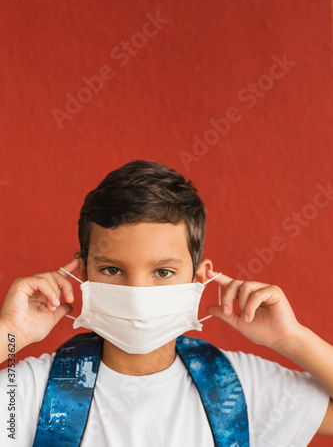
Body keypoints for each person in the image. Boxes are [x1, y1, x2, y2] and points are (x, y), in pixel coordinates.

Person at [0, 159, 332, 446]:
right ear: (84, 274)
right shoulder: (32, 391)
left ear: (200, 278)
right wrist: (10, 332)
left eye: (163, 271)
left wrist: (292, 338)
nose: (137, 293)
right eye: (112, 269)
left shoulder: (239, 386)